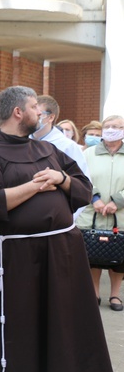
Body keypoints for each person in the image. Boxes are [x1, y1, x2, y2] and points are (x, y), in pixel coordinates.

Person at [0, 85, 113, 372]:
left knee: (65, 317)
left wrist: (60, 179)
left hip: (61, 249)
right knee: (21, 320)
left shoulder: (47, 149)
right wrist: (35, 186)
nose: (40, 113)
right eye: (35, 107)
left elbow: (83, 189)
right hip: (15, 255)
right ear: (18, 112)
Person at [76, 115, 124, 311]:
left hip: (119, 215)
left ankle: (115, 295)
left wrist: (117, 201)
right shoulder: (89, 153)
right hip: (92, 213)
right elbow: (80, 177)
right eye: (108, 126)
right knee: (94, 254)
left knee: (119, 257)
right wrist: (94, 198)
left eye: (116, 126)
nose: (111, 129)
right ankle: (94, 293)